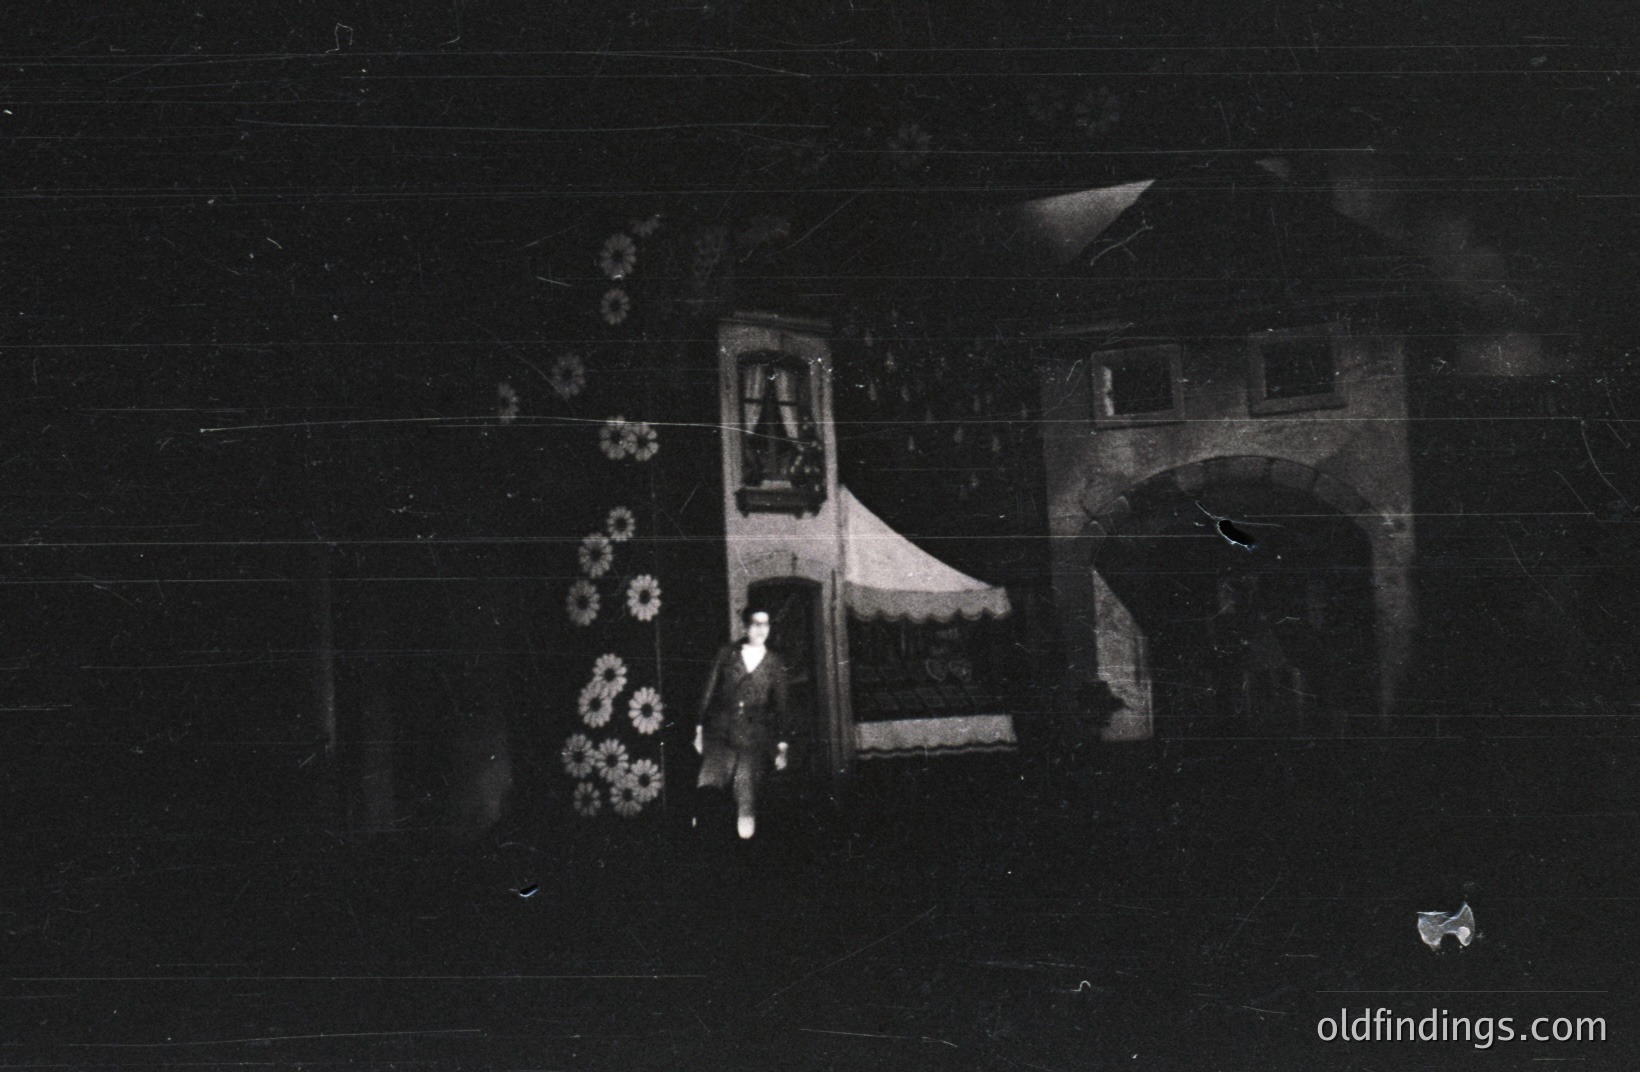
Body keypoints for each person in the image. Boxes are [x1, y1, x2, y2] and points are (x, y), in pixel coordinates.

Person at [693, 607, 791, 840]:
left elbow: (782, 707)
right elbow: (708, 691)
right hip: (721, 734)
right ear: (745, 627)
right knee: (707, 791)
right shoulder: (727, 653)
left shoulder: (775, 662)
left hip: (754, 738)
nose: (760, 629)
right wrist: (698, 730)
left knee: (746, 800)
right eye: (755, 623)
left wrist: (782, 747)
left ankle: (745, 859)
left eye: (765, 624)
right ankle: (703, 852)